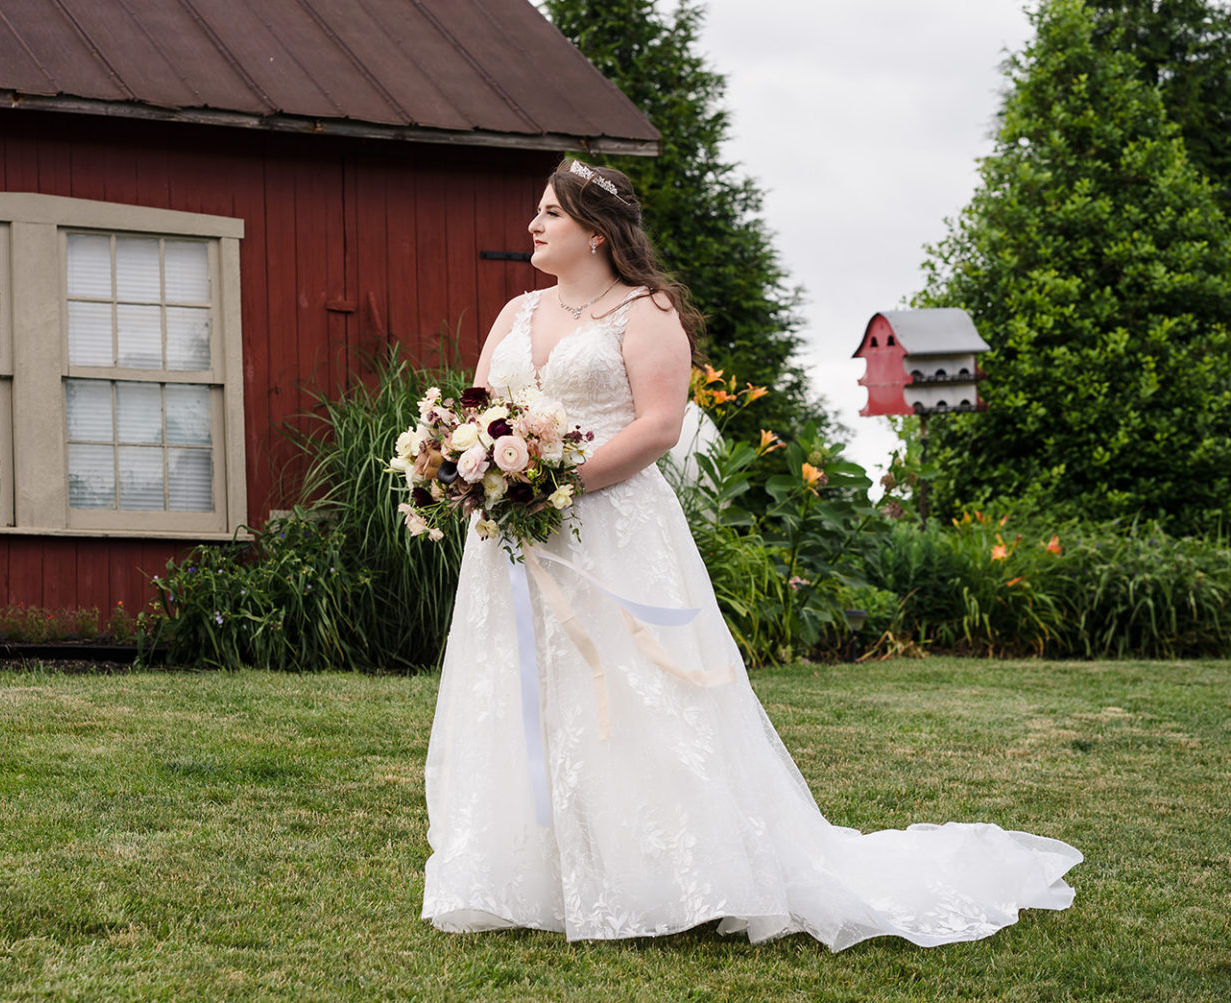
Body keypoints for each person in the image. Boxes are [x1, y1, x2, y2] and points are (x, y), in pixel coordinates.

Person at [420, 158, 1081, 950]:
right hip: (514, 542)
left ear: (595, 232)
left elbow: (660, 426)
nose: (533, 225)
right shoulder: (517, 312)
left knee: (632, 692)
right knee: (521, 688)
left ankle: (664, 875)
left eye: (550, 214)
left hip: (612, 528)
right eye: (537, 212)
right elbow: (480, 409)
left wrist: (555, 484)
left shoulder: (646, 311)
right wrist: (469, 464)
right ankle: (534, 875)